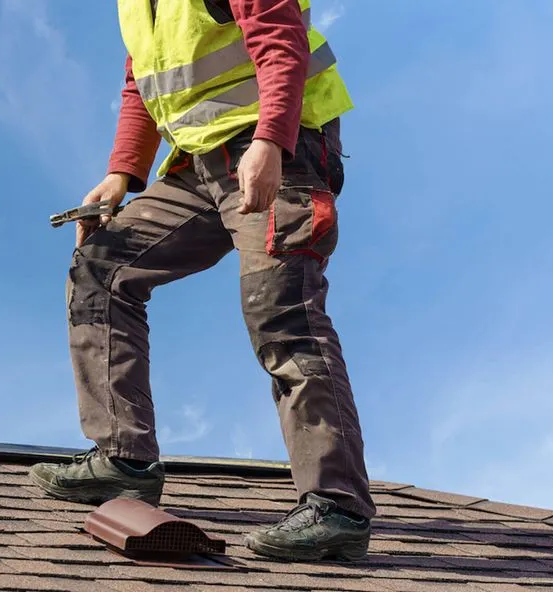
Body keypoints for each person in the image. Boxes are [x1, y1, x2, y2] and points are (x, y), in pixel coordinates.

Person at [29, 0, 377, 562]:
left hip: (278, 151)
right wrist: (121, 173)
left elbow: (281, 41)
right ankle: (123, 460)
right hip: (201, 167)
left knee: (281, 311)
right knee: (101, 267)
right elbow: (142, 84)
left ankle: (338, 508)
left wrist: (271, 140)